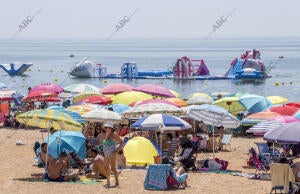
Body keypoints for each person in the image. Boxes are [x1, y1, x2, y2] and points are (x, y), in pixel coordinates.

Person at [102, 121, 123, 188]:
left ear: (111, 128)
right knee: (105, 167)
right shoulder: (107, 133)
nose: (106, 128)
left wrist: (117, 150)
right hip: (106, 153)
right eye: (106, 127)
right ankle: (108, 182)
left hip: (112, 153)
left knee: (113, 168)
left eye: (108, 127)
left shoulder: (114, 134)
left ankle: (117, 182)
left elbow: (121, 142)